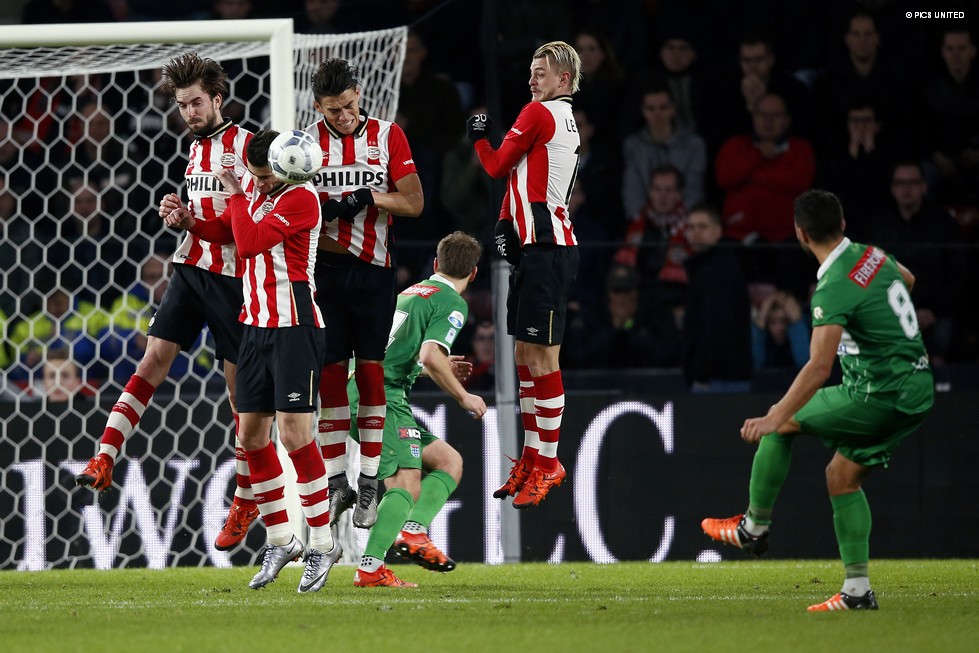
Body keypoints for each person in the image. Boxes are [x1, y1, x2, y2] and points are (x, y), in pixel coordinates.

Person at [702, 189, 934, 612]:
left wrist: (774, 416)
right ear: (842, 224)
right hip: (917, 390)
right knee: (841, 477)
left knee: (782, 423)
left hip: (877, 393)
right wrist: (873, 330)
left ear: (800, 233)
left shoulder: (832, 286)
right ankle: (857, 591)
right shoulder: (872, 255)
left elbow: (818, 367)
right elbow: (909, 280)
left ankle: (753, 527)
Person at [74, 53, 260, 555]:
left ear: (217, 98)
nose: (189, 113)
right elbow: (203, 213)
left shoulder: (247, 148)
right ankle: (105, 455)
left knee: (239, 397)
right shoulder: (195, 149)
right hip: (190, 269)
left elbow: (243, 229)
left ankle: (246, 497)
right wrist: (177, 212)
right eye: (181, 105)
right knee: (152, 358)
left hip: (234, 282)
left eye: (196, 103)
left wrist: (192, 221)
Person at [168, 129, 341, 592]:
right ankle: (282, 539)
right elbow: (226, 233)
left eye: (266, 177)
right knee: (249, 435)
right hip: (254, 327)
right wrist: (191, 221)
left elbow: (249, 244)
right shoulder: (256, 194)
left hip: (294, 328)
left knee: (295, 435)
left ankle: (322, 544)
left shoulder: (301, 197)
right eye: (256, 176)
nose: (260, 183)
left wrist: (239, 193)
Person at [305, 57, 425, 529]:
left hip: (375, 271)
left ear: (359, 94)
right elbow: (289, 202)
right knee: (331, 376)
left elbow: (414, 202)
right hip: (325, 271)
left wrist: (369, 196)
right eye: (333, 110)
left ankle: (370, 483)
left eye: (349, 105)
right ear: (318, 107)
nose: (344, 116)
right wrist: (320, 207)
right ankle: (338, 483)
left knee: (372, 374)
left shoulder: (388, 136)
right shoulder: (304, 145)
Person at [466, 40, 580, 508]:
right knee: (525, 354)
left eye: (541, 72)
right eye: (531, 71)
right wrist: (504, 222)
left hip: (548, 250)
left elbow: (496, 165)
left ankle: (549, 463)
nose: (532, 79)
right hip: (537, 249)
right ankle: (533, 458)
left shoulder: (538, 113)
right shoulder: (560, 117)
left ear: (563, 80)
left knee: (543, 359)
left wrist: (478, 136)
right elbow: (525, 178)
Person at [352, 232, 487, 588]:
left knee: (448, 461)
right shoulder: (452, 302)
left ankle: (413, 531)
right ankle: (370, 568)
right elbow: (429, 353)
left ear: (436, 264)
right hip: (380, 394)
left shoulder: (410, 292)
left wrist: (434, 367)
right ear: (474, 273)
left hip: (364, 384)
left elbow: (403, 354)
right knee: (406, 483)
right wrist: (463, 396)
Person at [869, 162, 965, 365]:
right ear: (892, 189)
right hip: (891, 309)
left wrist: (935, 311)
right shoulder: (880, 225)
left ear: (924, 186)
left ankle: (938, 380)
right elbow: (871, 275)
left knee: (942, 337)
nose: (906, 189)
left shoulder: (943, 224)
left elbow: (959, 274)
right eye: (900, 183)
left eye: (912, 182)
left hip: (933, 311)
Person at [681, 204, 752, 392]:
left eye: (702, 227)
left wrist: (701, 372)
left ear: (718, 231)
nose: (695, 232)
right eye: (691, 227)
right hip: (720, 376)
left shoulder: (719, 269)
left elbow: (719, 325)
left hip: (720, 379)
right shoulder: (706, 267)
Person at [621, 86, 705, 218]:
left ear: (673, 109)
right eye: (651, 108)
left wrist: (682, 221)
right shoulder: (633, 146)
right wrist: (642, 221)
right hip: (646, 222)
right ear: (643, 111)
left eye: (663, 107)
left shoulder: (694, 144)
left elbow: (694, 189)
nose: (657, 113)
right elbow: (633, 190)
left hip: (686, 220)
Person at [751, 290, 810, 371]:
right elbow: (754, 365)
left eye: (784, 321)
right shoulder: (765, 340)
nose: (779, 328)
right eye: (772, 322)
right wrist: (762, 316)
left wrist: (797, 322)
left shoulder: (803, 331)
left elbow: (805, 365)